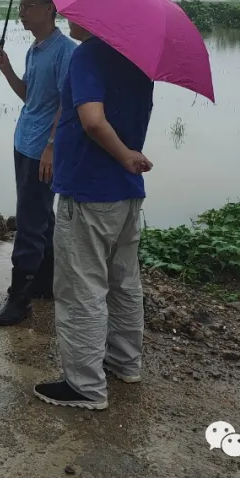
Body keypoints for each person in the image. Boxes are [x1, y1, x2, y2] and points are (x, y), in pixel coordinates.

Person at [34, 20, 154, 411]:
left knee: (80, 288)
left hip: (88, 190)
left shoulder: (89, 55)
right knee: (124, 282)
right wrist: (129, 159)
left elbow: (92, 120)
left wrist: (122, 155)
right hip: (125, 192)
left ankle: (85, 386)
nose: (70, 18)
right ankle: (124, 362)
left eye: (75, 12)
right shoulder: (140, 59)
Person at [0, 0, 74, 326]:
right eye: (21, 6)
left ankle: (19, 299)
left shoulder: (65, 52)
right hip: (24, 141)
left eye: (29, 6)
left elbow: (67, 104)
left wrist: (52, 145)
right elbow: (30, 96)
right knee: (41, 216)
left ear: (50, 8)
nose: (21, 12)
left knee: (29, 221)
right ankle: (43, 283)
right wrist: (6, 68)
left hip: (44, 149)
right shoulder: (34, 50)